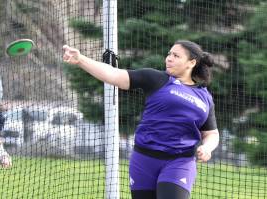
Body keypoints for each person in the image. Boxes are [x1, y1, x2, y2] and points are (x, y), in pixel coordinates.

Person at [63, 40, 219, 199]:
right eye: (169, 54)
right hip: (144, 160)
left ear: (191, 62)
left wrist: (207, 148)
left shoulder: (204, 97)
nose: (169, 58)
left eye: (176, 55)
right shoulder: (156, 79)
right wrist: (81, 59)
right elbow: (113, 74)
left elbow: (211, 133)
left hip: (179, 162)